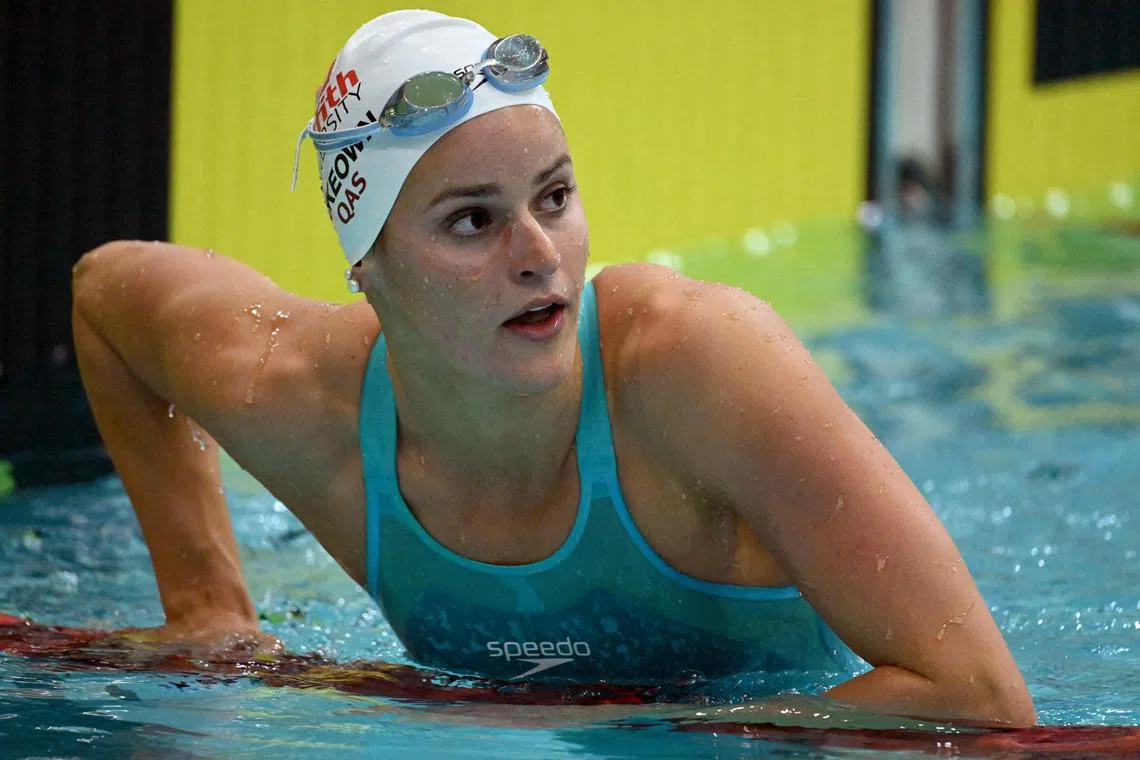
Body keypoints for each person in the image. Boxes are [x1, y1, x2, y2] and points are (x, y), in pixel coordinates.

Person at [71, 10, 1035, 726]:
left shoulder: (695, 363)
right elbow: (103, 291)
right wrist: (204, 604)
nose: (539, 254)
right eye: (472, 220)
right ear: (372, 266)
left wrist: (639, 733)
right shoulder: (302, 398)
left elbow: (980, 697)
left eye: (556, 196)